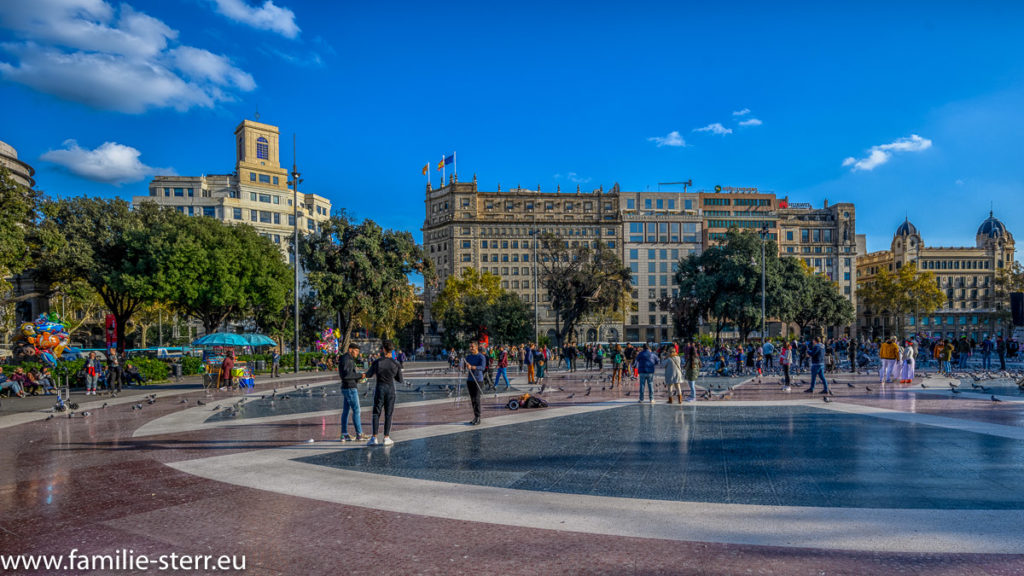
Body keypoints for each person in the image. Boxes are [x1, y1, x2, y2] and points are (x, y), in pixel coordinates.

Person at [363, 340, 403, 446]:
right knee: (388, 414)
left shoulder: (377, 362)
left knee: (376, 413)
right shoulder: (396, 363)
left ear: (383, 350)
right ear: (392, 350)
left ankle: (374, 437)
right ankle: (386, 437)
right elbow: (400, 379)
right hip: (390, 389)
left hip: (379, 388)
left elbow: (368, 374)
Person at [338, 343, 366, 442]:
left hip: (347, 387)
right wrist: (359, 376)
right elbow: (346, 375)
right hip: (350, 388)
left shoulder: (347, 358)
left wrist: (358, 378)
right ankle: (359, 434)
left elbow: (348, 374)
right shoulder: (347, 359)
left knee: (345, 412)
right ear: (350, 349)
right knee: (356, 411)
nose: (358, 353)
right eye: (356, 351)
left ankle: (344, 434)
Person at [462, 342, 487, 426]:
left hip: (478, 380)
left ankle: (478, 417)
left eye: (472, 347)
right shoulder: (468, 357)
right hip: (470, 379)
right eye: (470, 347)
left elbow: (482, 367)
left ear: (476, 347)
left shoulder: (481, 357)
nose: (471, 348)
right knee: (472, 399)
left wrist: (472, 367)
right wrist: (461, 365)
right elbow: (464, 366)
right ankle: (475, 416)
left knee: (476, 399)